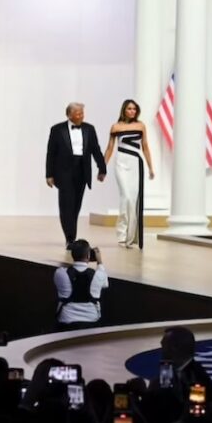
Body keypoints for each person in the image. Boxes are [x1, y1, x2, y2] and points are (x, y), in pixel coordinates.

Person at [45, 102, 106, 249]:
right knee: (66, 205)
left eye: (82, 113)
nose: (81, 116)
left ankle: (71, 234)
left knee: (76, 205)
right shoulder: (57, 129)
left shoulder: (89, 129)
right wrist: (49, 174)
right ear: (69, 115)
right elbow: (51, 153)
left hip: (82, 170)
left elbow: (95, 150)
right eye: (78, 113)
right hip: (64, 171)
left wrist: (102, 168)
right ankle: (70, 238)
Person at [103, 98, 155, 249]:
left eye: (134, 109)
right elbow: (110, 148)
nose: (132, 111)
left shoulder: (141, 126)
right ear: (124, 110)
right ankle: (121, 234)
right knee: (125, 197)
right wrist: (102, 167)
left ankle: (130, 237)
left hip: (136, 164)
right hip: (121, 162)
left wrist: (150, 167)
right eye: (129, 108)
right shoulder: (116, 127)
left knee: (133, 200)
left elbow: (145, 146)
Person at [54, 239, 108, 329]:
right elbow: (105, 284)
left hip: (66, 321)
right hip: (91, 321)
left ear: (72, 255)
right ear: (88, 255)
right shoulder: (98, 275)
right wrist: (99, 262)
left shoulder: (60, 273)